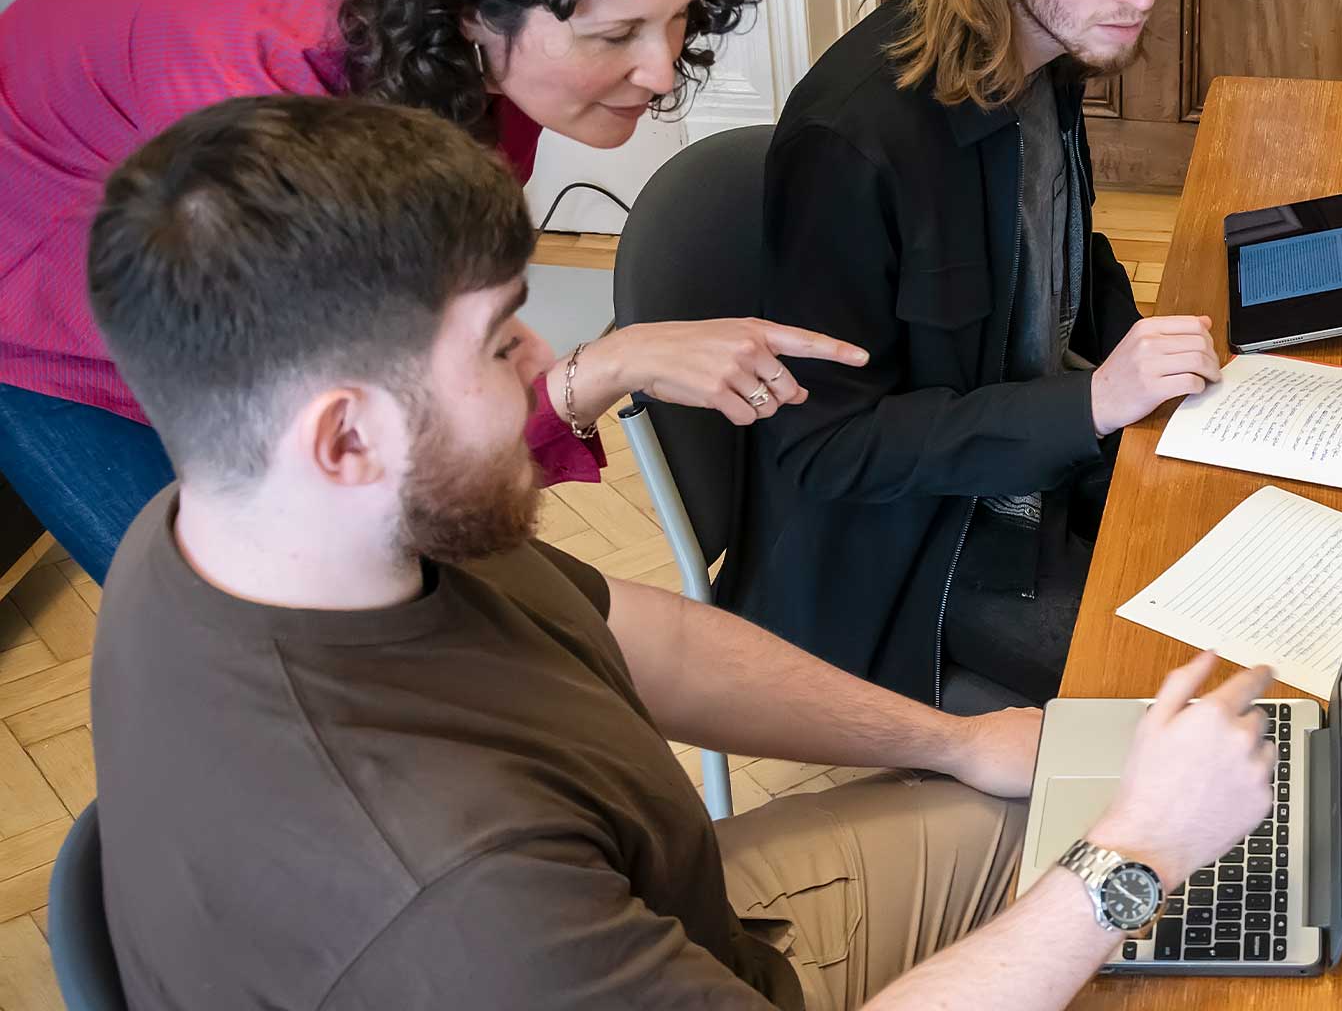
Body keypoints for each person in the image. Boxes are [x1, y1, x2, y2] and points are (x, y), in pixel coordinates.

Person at [88, 93, 1277, 1010]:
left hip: (676, 923)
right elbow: (491, 918)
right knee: (1163, 911)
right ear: (345, 434)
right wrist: (1134, 858)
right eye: (500, 345)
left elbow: (630, 632)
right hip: (590, 945)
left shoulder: (260, 529)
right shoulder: (452, 893)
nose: (547, 369)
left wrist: (956, 741)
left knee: (1125, 830)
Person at [0, 0, 861, 585]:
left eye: (676, 19)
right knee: (262, 613)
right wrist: (600, 369)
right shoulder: (283, 106)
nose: (664, 71)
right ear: (471, 11)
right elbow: (371, 425)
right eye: (614, 37)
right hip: (38, 273)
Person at [726, 0, 1220, 710]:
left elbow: (1057, 256)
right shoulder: (856, 136)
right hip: (913, 554)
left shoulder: (1050, 43)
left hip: (1027, 471)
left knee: (1268, 562)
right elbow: (827, 450)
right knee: (1221, 692)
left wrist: (1156, 372)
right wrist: (1091, 406)